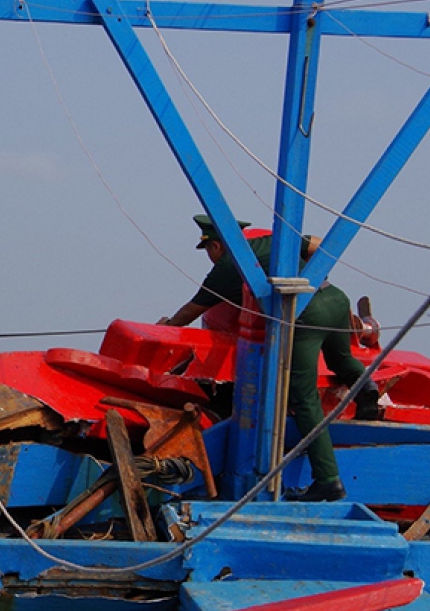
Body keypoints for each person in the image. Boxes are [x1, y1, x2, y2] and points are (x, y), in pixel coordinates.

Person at [159, 214, 381, 501]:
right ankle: (367, 389)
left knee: (303, 397)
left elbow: (191, 311)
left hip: (304, 313)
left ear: (215, 246)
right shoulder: (272, 241)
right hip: (335, 299)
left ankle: (328, 480)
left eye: (209, 252)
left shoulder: (228, 266)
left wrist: (166, 327)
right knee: (339, 359)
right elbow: (322, 246)